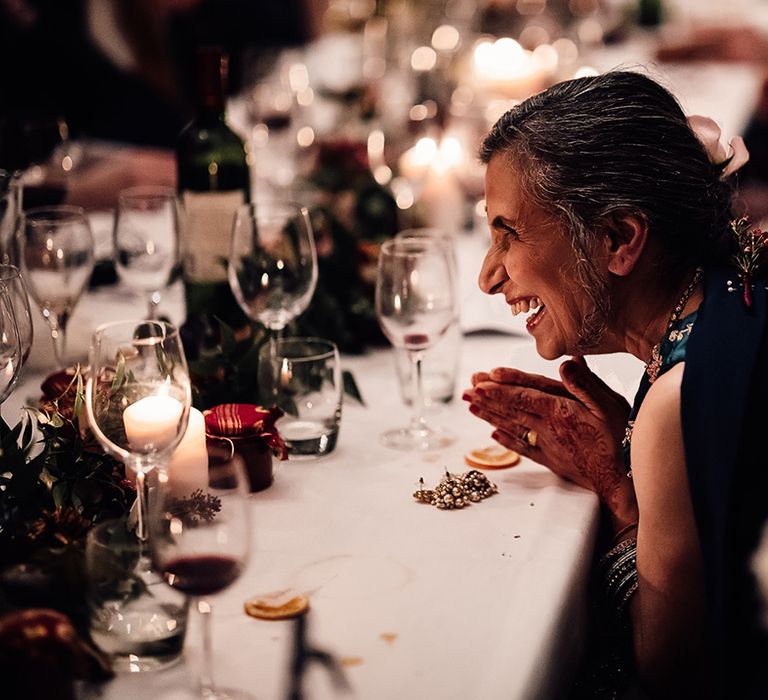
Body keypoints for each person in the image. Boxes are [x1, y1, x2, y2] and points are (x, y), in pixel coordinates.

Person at [462, 70, 768, 698]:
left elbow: (671, 672)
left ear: (618, 239)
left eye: (509, 234)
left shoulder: (676, 398)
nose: (488, 278)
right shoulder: (733, 290)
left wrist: (621, 497)